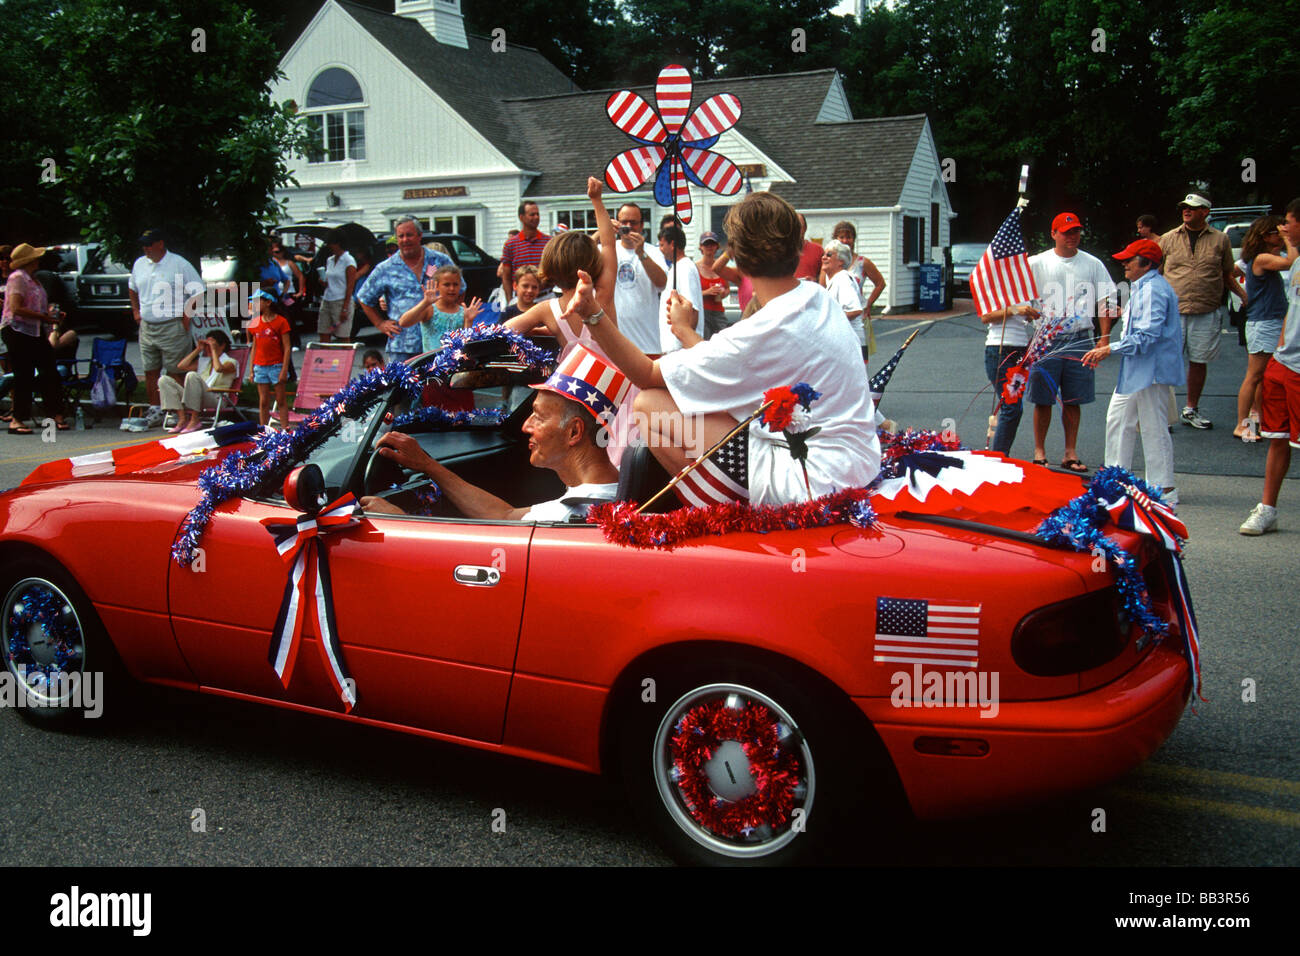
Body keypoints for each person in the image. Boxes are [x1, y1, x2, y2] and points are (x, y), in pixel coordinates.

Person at [563, 190, 880, 506]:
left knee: (649, 404)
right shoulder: (818, 297)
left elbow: (646, 374)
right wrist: (687, 332)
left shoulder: (757, 333)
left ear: (738, 257)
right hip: (857, 462)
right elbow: (734, 367)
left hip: (811, 482)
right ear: (799, 246)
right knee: (704, 402)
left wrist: (593, 314)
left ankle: (724, 517)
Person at [360, 344, 624, 520]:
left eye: (539, 417)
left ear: (574, 432)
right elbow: (506, 516)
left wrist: (398, 521)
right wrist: (428, 465)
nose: (525, 426)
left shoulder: (570, 514)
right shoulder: (614, 489)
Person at [1082, 239, 1184, 505]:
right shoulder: (1144, 287)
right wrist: (1123, 313)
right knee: (1118, 420)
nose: (1124, 264)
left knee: (1153, 427)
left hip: (1151, 371)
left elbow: (1148, 336)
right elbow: (1142, 327)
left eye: (1130, 260)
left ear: (1147, 263)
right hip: (1137, 369)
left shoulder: (1154, 290)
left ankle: (1165, 489)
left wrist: (1109, 348)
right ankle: (1115, 482)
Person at [1026, 212, 1116, 471]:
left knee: (1074, 399)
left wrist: (1104, 338)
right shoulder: (1037, 263)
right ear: (1053, 233)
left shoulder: (1092, 264)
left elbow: (1105, 301)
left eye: (1075, 232)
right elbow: (1019, 296)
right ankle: (1039, 451)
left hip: (1080, 338)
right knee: (1042, 398)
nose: (1072, 237)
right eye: (1066, 232)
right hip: (1046, 338)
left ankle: (1070, 452)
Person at [1159, 193, 1247, 429]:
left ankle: (1191, 409)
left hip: (1206, 310)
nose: (1186, 211)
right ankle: (1161, 414)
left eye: (1192, 207)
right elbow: (1154, 274)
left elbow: (1228, 274)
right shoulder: (1167, 239)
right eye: (1184, 207)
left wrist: (1245, 297)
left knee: (1199, 361)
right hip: (1172, 312)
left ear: (1205, 212)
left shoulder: (1221, 240)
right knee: (1166, 361)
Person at [1240, 198, 1300, 535]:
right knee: (1276, 438)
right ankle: (1268, 509)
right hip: (1284, 361)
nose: (1284, 228)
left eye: (1288, 223)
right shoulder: (1293, 263)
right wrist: (1281, 345)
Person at [356, 216, 458, 365]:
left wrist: (451, 316)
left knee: (437, 387)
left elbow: (461, 287)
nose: (405, 240)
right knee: (403, 388)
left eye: (409, 235)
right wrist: (380, 324)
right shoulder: (386, 268)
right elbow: (364, 298)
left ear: (419, 236)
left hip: (438, 343)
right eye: (401, 236)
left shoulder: (439, 260)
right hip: (403, 346)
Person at [128, 228, 204, 428]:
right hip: (148, 326)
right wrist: (136, 311)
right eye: (144, 244)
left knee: (176, 371)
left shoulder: (178, 264)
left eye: (149, 244)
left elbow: (199, 291)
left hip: (172, 325)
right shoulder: (139, 264)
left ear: (160, 244)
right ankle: (156, 409)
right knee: (150, 369)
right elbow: (132, 287)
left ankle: (181, 412)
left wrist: (187, 315)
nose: (146, 248)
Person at [1233, 216, 1294, 441]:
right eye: (1276, 232)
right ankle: (1241, 424)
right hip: (1263, 323)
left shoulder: (1262, 258)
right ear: (1265, 236)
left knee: (1263, 376)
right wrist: (1290, 238)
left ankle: (1260, 419)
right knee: (1254, 375)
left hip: (1270, 321)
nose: (1280, 235)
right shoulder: (1260, 258)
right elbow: (1292, 262)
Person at [1, 243, 68, 434]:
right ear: (29, 261)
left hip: (34, 329)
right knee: (24, 373)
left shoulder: (34, 279)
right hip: (17, 329)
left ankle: (54, 413)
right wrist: (44, 317)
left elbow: (35, 306)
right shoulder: (18, 278)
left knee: (49, 370)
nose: (39, 260)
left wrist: (50, 315)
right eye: (35, 257)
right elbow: (16, 308)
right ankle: (18, 418)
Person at [979, 300, 1041, 456]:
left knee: (1014, 408)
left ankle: (1000, 455)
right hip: (999, 348)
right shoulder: (997, 284)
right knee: (1011, 407)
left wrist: (1030, 315)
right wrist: (1016, 310)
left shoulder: (1025, 286)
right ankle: (999, 457)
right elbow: (986, 317)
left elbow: (1025, 319)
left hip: (1021, 349)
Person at [611, 202, 667, 352]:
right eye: (624, 222)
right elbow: (580, 257)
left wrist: (641, 253)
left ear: (642, 226)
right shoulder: (607, 249)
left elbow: (662, 283)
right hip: (616, 344)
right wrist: (602, 231)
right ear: (617, 224)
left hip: (647, 343)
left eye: (634, 223)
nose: (628, 226)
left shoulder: (653, 252)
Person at [159, 329, 237, 434]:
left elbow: (219, 368)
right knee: (164, 380)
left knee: (192, 375)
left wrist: (213, 350)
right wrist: (198, 349)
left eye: (211, 345)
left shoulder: (232, 362)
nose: (208, 348)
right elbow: (181, 366)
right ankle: (182, 418)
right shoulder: (204, 361)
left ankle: (195, 418)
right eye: (207, 346)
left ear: (222, 346)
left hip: (216, 398)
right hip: (196, 397)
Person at [823, 221, 886, 347]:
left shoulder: (862, 263)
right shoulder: (828, 265)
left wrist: (868, 304)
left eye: (849, 237)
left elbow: (880, 283)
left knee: (862, 354)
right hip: (841, 317)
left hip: (854, 315)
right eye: (841, 237)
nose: (845, 240)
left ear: (854, 239)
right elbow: (822, 288)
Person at [399, 264, 482, 351]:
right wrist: (425, 303)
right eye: (446, 285)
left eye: (455, 284)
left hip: (455, 362)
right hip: (431, 362)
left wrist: (469, 321)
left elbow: (466, 344)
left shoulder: (463, 312)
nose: (452, 288)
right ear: (437, 286)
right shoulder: (430, 309)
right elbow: (403, 322)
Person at [246, 290, 291, 428]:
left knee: (281, 399)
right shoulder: (255, 323)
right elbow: (254, 347)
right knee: (263, 401)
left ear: (268, 302)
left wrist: (284, 369)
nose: (254, 304)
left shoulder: (281, 322)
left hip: (276, 365)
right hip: (260, 366)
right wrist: (251, 369)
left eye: (257, 301)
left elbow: (287, 347)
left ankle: (285, 429)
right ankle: (263, 430)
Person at [656, 223, 704, 353]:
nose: (660, 249)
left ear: (672, 244)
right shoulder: (677, 267)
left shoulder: (684, 268)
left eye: (662, 245)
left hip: (681, 350)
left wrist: (685, 347)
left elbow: (693, 311)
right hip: (674, 349)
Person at [822, 239, 867, 360]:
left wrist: (826, 320)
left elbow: (855, 310)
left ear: (841, 261)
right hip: (843, 344)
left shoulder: (843, 279)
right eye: (823, 254)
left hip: (851, 345)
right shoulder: (833, 280)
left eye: (829, 255)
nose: (824, 257)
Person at [498, 201, 550, 300]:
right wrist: (510, 301)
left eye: (537, 214)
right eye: (532, 214)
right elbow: (506, 277)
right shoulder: (510, 244)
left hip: (545, 297)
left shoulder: (549, 243)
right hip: (521, 299)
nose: (536, 217)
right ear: (521, 217)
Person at [317, 230, 357, 344]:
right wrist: (323, 281)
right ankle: (325, 360)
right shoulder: (330, 260)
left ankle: (345, 361)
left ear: (339, 243)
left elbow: (350, 286)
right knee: (324, 332)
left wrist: (345, 308)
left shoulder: (349, 260)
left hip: (341, 301)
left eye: (331, 243)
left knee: (342, 336)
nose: (329, 246)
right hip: (327, 299)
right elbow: (331, 280)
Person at [696, 231, 731, 338]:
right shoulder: (695, 268)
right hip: (703, 312)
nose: (709, 247)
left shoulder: (720, 267)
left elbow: (727, 288)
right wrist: (707, 292)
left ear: (717, 247)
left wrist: (724, 293)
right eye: (706, 244)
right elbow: (690, 293)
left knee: (724, 341)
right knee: (704, 343)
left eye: (712, 244)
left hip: (718, 312)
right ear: (701, 247)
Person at [793, 214, 823, 280]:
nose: (796, 229)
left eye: (799, 226)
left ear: (805, 228)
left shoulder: (818, 250)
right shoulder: (781, 252)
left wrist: (815, 280)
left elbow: (826, 276)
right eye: (793, 226)